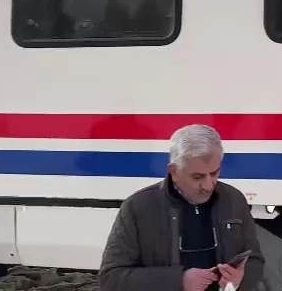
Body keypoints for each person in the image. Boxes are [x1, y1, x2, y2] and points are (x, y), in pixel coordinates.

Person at [99, 124, 265, 291]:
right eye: (198, 177)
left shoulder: (234, 200)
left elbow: (254, 260)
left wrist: (240, 279)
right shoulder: (137, 208)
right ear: (174, 171)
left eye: (214, 173)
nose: (208, 185)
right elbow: (111, 279)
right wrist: (178, 281)